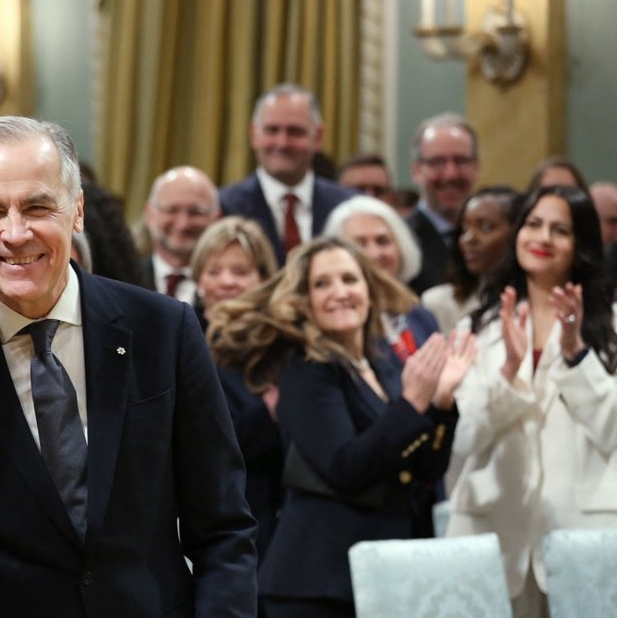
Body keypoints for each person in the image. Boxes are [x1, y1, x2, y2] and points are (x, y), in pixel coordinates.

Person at [0, 115, 257, 617]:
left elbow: (224, 528)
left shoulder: (163, 330)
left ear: (76, 210)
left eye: (37, 206)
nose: (15, 233)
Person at [211, 237, 474, 618]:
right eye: (322, 284)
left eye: (350, 279)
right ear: (304, 301)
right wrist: (413, 404)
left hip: (382, 569)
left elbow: (421, 471)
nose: (339, 293)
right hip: (319, 584)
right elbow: (345, 467)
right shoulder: (307, 370)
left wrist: (441, 405)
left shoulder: (384, 366)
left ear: (370, 289)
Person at [447, 186, 617, 618]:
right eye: (533, 224)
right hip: (493, 525)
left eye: (560, 229)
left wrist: (577, 353)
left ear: (581, 245)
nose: (542, 238)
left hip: (581, 528)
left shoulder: (612, 325)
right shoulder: (479, 324)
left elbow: (612, 429)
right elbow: (465, 435)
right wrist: (510, 370)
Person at [191, 217, 284, 564]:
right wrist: (269, 414)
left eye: (240, 271)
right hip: (216, 512)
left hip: (279, 508)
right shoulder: (179, 341)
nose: (227, 282)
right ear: (199, 279)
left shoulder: (281, 343)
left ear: (263, 278)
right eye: (214, 271)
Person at [220, 83, 354, 266]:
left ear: (318, 137)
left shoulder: (348, 207)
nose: (282, 143)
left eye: (295, 132)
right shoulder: (224, 206)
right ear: (254, 135)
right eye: (272, 130)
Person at [325, 195, 439, 362]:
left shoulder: (420, 316)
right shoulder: (342, 324)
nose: (374, 254)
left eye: (383, 241)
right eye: (359, 244)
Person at [421, 187, 522, 333]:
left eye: (486, 228)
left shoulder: (538, 300)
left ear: (518, 232)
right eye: (464, 229)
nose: (469, 239)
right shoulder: (438, 303)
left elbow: (568, 320)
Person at [405, 113, 481, 295]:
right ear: (416, 170)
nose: (450, 175)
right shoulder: (401, 240)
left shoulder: (500, 240)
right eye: (437, 162)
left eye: (461, 161)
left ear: (477, 167)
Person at [139, 165, 220, 301]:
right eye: (172, 210)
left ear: (216, 218)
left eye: (195, 212)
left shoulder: (227, 290)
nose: (183, 224)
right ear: (149, 214)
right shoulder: (123, 279)